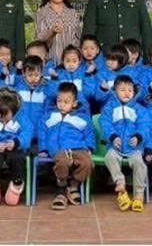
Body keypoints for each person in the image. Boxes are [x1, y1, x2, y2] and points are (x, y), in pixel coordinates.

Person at [39, 82, 95, 210]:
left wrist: (89, 147)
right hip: (58, 149)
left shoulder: (82, 118)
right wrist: (43, 149)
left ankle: (73, 185)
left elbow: (89, 133)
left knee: (87, 163)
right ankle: (61, 188)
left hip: (78, 148)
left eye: (66, 102)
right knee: (62, 162)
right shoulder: (49, 117)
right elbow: (42, 133)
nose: (62, 105)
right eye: (59, 101)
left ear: (74, 103)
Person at [100, 76, 151, 212]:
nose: (126, 93)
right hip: (115, 147)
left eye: (130, 90)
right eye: (122, 90)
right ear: (115, 91)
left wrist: (138, 136)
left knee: (139, 164)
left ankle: (139, 195)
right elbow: (105, 123)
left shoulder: (139, 109)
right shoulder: (109, 108)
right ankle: (120, 185)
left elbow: (145, 125)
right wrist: (112, 136)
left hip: (134, 148)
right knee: (109, 157)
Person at [0, 88, 33, 207]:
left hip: (14, 147)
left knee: (18, 159)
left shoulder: (22, 118)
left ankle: (16, 183)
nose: (3, 121)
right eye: (0, 117)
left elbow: (27, 132)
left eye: (6, 118)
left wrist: (16, 142)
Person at [35, 0, 82, 64]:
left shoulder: (72, 12)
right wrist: (52, 32)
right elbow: (39, 39)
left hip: (71, 62)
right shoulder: (41, 12)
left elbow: (78, 37)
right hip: (50, 61)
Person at [15, 56, 51, 132]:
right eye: (30, 75)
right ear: (23, 73)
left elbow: (48, 108)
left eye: (36, 75)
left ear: (41, 73)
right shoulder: (19, 87)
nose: (33, 78)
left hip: (39, 129)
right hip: (22, 129)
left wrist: (54, 79)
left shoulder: (45, 88)